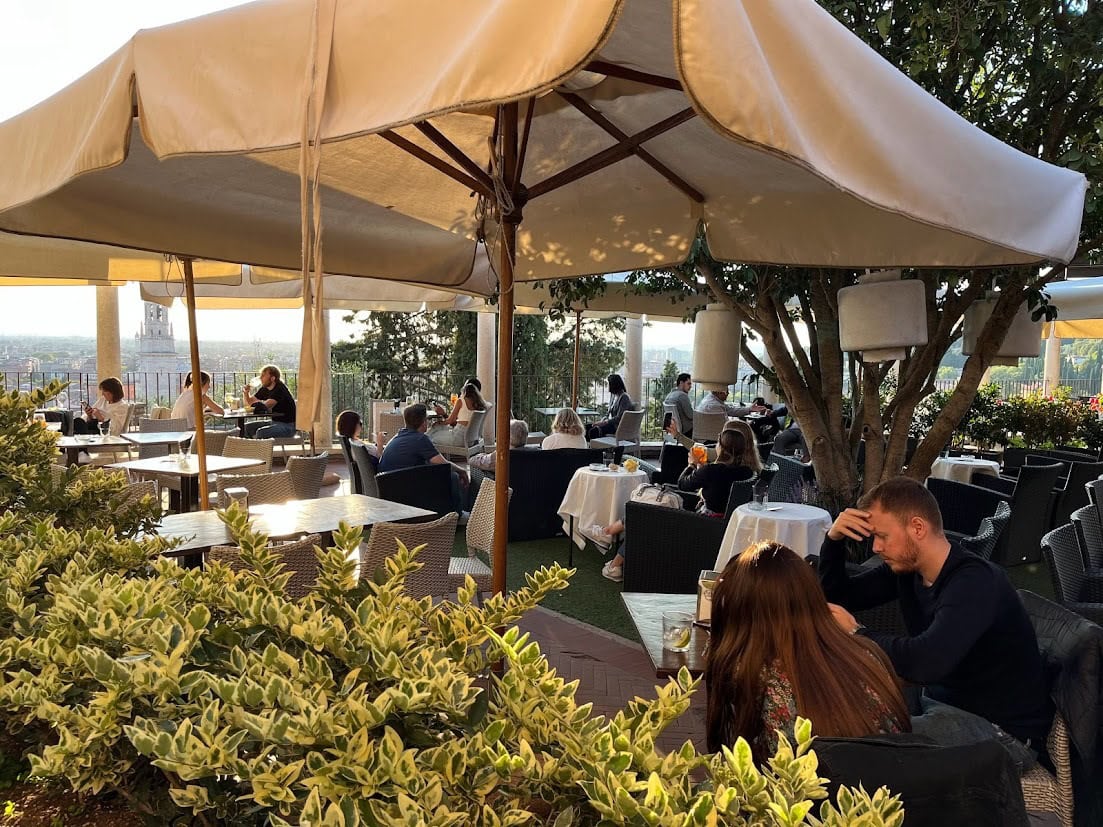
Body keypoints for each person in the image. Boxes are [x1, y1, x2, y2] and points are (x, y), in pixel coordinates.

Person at [819, 476, 1050, 768]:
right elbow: (840, 596)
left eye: (882, 536)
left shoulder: (974, 582)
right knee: (838, 714)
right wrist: (833, 541)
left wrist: (857, 632)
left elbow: (926, 661)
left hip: (1002, 733)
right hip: (939, 704)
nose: (875, 547)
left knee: (857, 742)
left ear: (917, 527)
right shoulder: (909, 570)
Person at [706, 541, 909, 762]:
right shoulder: (864, 652)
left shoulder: (753, 671)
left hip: (808, 791)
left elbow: (740, 759)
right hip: (891, 787)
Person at [599, 428, 755, 582]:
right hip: (725, 525)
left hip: (702, 525)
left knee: (646, 515)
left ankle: (614, 557)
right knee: (651, 508)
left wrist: (692, 465)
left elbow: (683, 484)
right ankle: (612, 532)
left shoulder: (712, 470)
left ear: (721, 447)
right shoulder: (747, 472)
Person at [378, 403, 469, 519]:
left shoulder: (396, 437)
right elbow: (444, 464)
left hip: (389, 490)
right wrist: (462, 471)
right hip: (405, 491)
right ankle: (457, 516)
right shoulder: (420, 439)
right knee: (453, 476)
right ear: (424, 422)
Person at [665, 417, 762, 473]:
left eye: (724, 434)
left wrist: (693, 465)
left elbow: (700, 450)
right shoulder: (753, 468)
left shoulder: (721, 467)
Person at [243, 364, 297, 439]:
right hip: (275, 423)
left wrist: (256, 405)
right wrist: (246, 393)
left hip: (288, 426)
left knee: (261, 432)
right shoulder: (265, 388)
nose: (260, 378)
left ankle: (259, 450)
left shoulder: (280, 389)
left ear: (272, 378)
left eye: (263, 375)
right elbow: (250, 403)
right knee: (246, 427)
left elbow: (265, 406)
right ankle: (248, 449)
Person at [429, 382, 488, 449]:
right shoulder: (479, 405)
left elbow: (450, 421)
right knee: (436, 430)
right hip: (471, 440)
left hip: (458, 439)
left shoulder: (461, 401)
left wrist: (438, 423)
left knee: (433, 436)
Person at [586, 374, 634, 440]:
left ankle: (595, 448)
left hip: (616, 426)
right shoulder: (615, 397)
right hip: (611, 424)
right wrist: (603, 420)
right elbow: (609, 414)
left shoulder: (624, 397)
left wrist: (604, 422)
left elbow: (620, 417)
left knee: (593, 431)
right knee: (586, 427)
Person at [663, 372, 695, 437]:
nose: (690, 387)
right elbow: (691, 415)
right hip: (687, 431)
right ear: (681, 383)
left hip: (674, 430)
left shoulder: (669, 395)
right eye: (688, 384)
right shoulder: (682, 396)